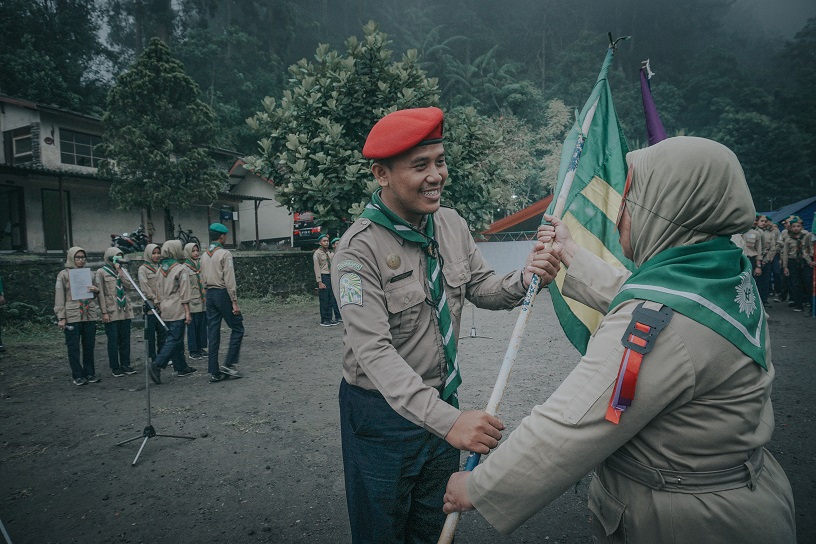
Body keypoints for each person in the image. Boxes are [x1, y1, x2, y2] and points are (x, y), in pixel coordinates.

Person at [442, 137, 796, 543]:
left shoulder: (662, 320)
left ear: (671, 208)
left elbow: (575, 421)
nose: (620, 216)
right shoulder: (720, 272)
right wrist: (571, 253)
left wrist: (482, 485)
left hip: (687, 521)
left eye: (632, 201)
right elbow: (646, 296)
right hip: (740, 499)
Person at [332, 107, 550, 543]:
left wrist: (525, 279)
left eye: (440, 161)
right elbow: (373, 351)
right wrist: (449, 422)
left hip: (444, 401)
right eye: (420, 166)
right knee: (384, 531)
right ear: (382, 173)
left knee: (433, 527)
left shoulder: (450, 224)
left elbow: (482, 287)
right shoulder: (357, 253)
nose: (436, 176)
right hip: (381, 417)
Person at [200, 222, 244, 383]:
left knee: (213, 332)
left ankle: (214, 370)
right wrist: (234, 301)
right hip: (222, 293)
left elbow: (202, 277)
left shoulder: (204, 255)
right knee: (238, 327)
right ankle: (229, 364)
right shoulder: (225, 254)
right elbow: (229, 279)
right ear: (222, 236)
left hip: (209, 294)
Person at [148, 240, 197, 383]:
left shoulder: (159, 269)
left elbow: (156, 290)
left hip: (164, 306)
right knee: (175, 338)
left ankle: (181, 366)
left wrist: (159, 304)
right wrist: (187, 311)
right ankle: (157, 364)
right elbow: (184, 291)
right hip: (177, 306)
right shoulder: (180, 269)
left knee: (175, 337)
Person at [54, 247, 100, 385]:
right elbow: (59, 296)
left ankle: (90, 373)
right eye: (78, 257)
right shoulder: (63, 275)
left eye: (83, 257)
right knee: (73, 347)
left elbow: (98, 291)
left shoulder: (90, 274)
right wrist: (61, 317)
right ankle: (77, 375)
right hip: (72, 314)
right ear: (71, 258)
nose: (81, 260)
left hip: (89, 314)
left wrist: (96, 290)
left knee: (89, 345)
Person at [95, 247, 136, 377]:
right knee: (113, 340)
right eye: (116, 257)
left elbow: (129, 286)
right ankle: (115, 366)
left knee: (125, 339)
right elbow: (100, 293)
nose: (118, 259)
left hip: (124, 310)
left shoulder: (123, 270)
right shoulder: (101, 272)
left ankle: (125, 364)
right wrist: (104, 312)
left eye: (120, 257)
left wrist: (120, 272)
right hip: (112, 310)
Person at [138, 243, 166, 362]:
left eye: (158, 253)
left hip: (162, 305)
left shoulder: (161, 267)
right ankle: (152, 357)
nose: (156, 255)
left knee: (162, 332)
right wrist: (154, 299)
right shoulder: (143, 269)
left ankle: (162, 355)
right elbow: (144, 287)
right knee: (151, 334)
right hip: (151, 306)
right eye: (154, 253)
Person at [781, 215, 813, 312]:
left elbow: (809, 248)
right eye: (794, 226)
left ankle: (811, 303)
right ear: (790, 228)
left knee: (808, 282)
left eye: (798, 226)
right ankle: (799, 305)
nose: (796, 228)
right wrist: (785, 267)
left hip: (804, 262)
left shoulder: (807, 236)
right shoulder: (788, 239)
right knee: (795, 283)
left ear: (802, 227)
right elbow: (785, 254)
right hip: (793, 262)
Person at [184, 242, 208, 359]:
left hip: (202, 300)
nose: (196, 253)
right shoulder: (185, 267)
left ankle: (201, 347)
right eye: (193, 251)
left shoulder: (201, 265)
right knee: (192, 327)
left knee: (202, 326)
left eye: (197, 250)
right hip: (192, 301)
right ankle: (193, 350)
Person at [313, 233, 340, 327]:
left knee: (330, 298)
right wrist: (319, 282)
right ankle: (324, 319)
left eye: (327, 241)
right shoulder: (317, 254)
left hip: (330, 276)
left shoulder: (328, 253)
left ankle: (330, 318)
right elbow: (317, 268)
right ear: (320, 242)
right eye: (324, 241)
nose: (326, 242)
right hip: (323, 276)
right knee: (324, 298)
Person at [757, 214, 777, 307]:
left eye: (765, 221)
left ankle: (764, 300)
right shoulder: (754, 232)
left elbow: (773, 248)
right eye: (761, 221)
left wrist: (766, 259)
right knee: (756, 280)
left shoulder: (770, 234)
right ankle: (756, 300)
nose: (763, 223)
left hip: (766, 258)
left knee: (765, 280)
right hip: (755, 258)